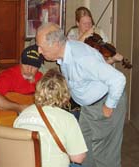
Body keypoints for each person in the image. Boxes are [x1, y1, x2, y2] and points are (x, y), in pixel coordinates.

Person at [36, 22, 127, 167]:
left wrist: (109, 107)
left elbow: (118, 79)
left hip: (103, 103)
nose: (39, 50)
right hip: (88, 107)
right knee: (83, 152)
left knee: (104, 157)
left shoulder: (82, 58)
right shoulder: (65, 53)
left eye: (41, 46)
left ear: (55, 44)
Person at [14, 68, 88, 167]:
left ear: (39, 89)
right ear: (65, 93)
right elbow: (78, 158)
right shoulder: (68, 118)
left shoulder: (23, 114)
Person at [0, 44, 43, 113]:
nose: (29, 69)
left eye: (34, 66)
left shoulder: (41, 79)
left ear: (39, 68)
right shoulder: (9, 76)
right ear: (20, 62)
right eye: (26, 64)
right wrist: (20, 108)